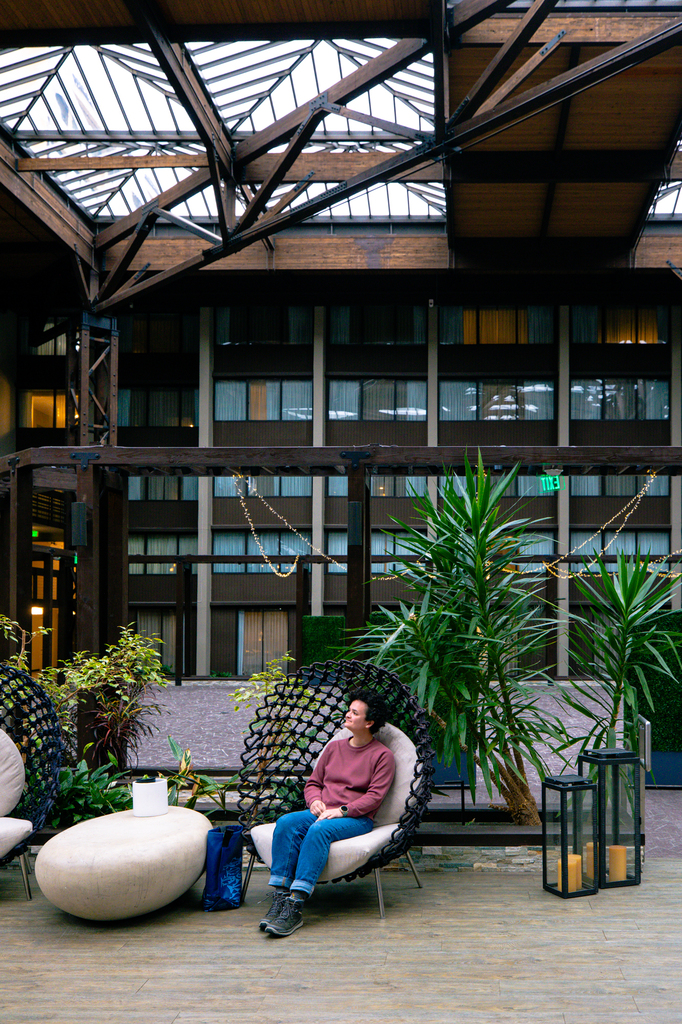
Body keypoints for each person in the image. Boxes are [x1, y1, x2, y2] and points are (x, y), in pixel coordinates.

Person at [259, 688, 395, 937]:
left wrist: (341, 811)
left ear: (369, 722)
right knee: (286, 822)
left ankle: (295, 906)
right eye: (349, 710)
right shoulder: (334, 748)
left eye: (354, 713)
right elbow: (313, 783)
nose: (348, 715)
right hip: (322, 812)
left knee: (319, 830)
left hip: (355, 819)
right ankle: (280, 897)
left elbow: (374, 798)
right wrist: (314, 802)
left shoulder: (382, 756)